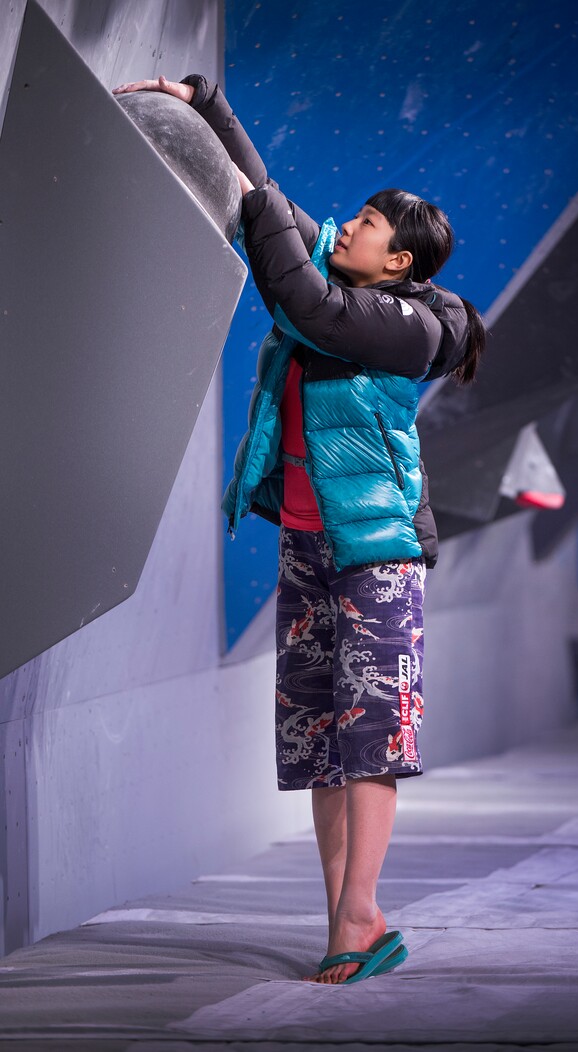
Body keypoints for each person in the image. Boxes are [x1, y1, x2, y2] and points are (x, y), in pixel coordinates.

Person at [113, 74, 486, 985]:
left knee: (371, 737)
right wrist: (209, 106)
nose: (349, 225)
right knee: (318, 739)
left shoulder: (408, 327)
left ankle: (361, 912)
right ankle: (346, 919)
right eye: (353, 216)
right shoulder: (344, 278)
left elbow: (302, 294)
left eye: (366, 223)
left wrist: (255, 199)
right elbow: (270, 213)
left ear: (398, 262)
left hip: (378, 555)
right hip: (310, 550)